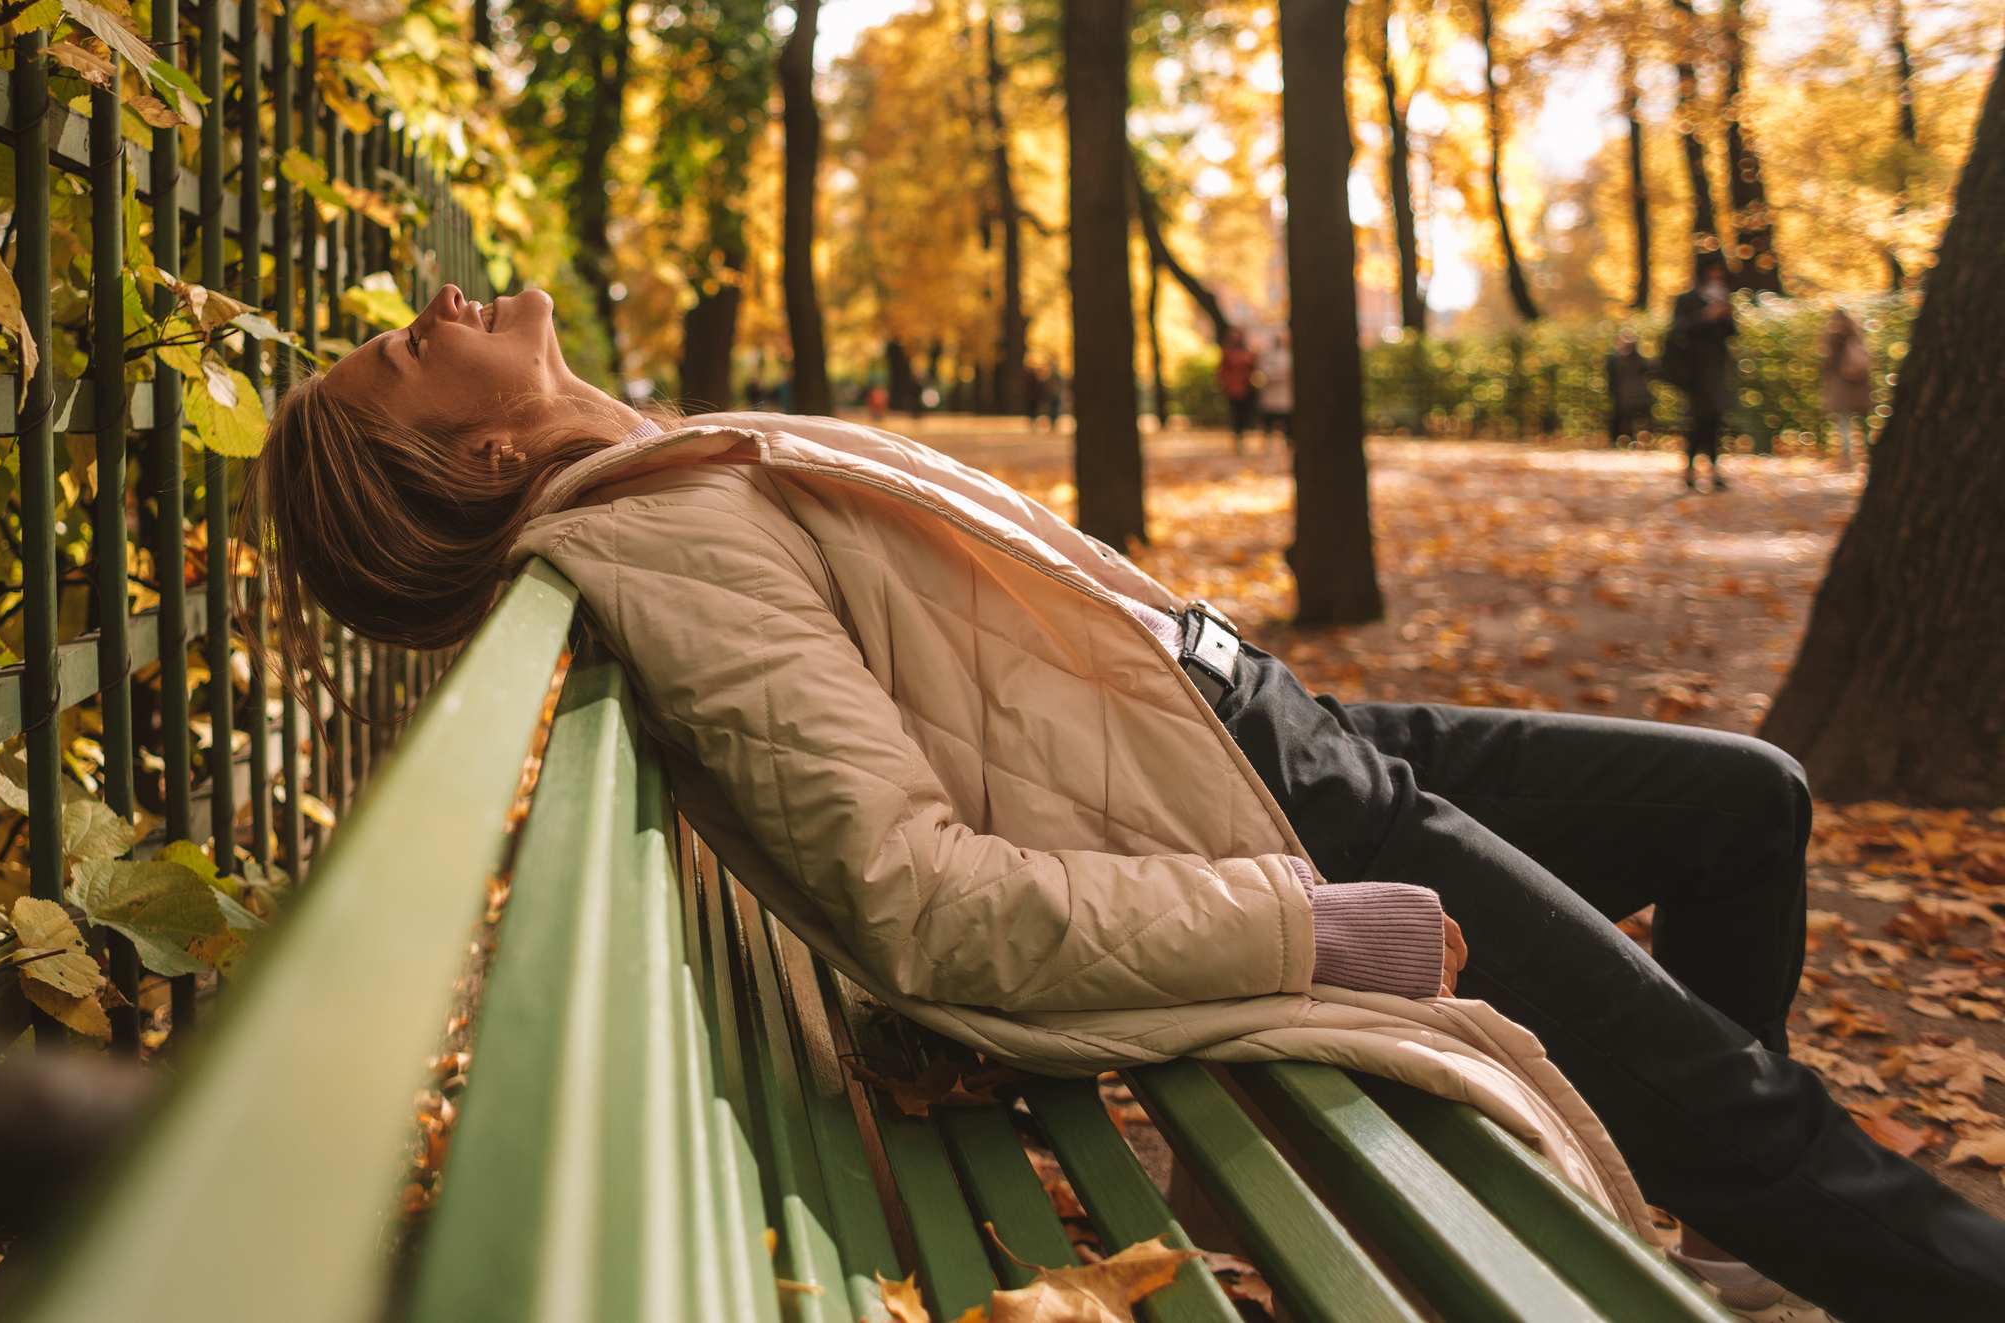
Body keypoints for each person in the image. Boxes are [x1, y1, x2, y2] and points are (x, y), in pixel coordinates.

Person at [256, 282, 2005, 1323]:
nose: (417, 319)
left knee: (1745, 801)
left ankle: (1720, 1167)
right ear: (476, 461)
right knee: (1765, 1118)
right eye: (397, 365)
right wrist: (1303, 922)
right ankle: (1772, 1179)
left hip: (1276, 730)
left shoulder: (670, 473)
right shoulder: (653, 538)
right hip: (1275, 823)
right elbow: (917, 899)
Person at [1663, 253, 1738, 492]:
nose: (1716, 276)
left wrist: (1726, 316)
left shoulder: (1724, 297)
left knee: (1714, 420)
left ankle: (1712, 471)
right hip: (1693, 371)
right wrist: (1705, 317)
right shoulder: (1688, 299)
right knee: (1697, 421)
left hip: (1717, 369)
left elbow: (1732, 333)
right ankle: (1690, 471)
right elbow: (1677, 330)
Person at [1819, 310, 1873, 471]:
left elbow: (1829, 362)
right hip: (1859, 386)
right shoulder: (1856, 335)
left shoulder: (1834, 338)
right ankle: (1867, 453)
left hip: (1841, 387)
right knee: (1862, 422)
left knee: (1844, 423)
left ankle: (1848, 459)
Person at [1605, 330, 1655, 447]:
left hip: (1638, 394)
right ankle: (1627, 439)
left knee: (1640, 418)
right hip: (1625, 395)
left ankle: (1640, 439)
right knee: (1626, 419)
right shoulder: (1616, 360)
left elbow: (1649, 371)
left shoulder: (1639, 359)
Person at [1217, 326, 1259, 454]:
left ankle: (1243, 439)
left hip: (1246, 388)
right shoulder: (1228, 350)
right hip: (1233, 389)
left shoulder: (1247, 351)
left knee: (1245, 415)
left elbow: (1252, 365)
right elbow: (1222, 370)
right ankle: (1238, 440)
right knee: (1236, 415)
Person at [1256, 327, 1293, 447]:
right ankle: (1268, 444)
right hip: (1271, 394)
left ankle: (1286, 443)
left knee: (1286, 421)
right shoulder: (1267, 355)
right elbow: (1262, 372)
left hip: (1285, 395)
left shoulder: (1290, 354)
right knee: (1269, 420)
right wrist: (1279, 374)